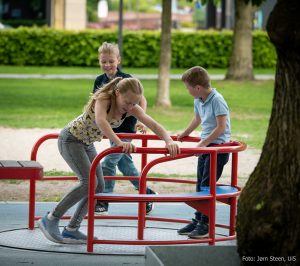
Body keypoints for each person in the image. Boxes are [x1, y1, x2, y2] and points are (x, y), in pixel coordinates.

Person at [38, 77, 180, 244]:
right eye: (127, 102)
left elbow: (154, 125)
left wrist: (168, 140)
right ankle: (51, 218)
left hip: (87, 142)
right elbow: (101, 120)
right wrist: (118, 142)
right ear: (117, 93)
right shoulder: (104, 98)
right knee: (87, 183)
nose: (130, 107)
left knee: (99, 185)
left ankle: (72, 229)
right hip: (70, 139)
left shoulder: (131, 107)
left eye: (134, 103)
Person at [93, 42, 157, 215]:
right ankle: (148, 194)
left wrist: (140, 120)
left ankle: (104, 200)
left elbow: (142, 100)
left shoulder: (126, 79)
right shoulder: (99, 81)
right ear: (99, 61)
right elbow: (97, 106)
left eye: (111, 61)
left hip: (126, 129)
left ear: (118, 60)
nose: (107, 65)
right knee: (125, 165)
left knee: (108, 162)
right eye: (103, 61)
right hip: (112, 129)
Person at [176, 66, 231, 239]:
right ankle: (198, 219)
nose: (187, 90)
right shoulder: (199, 99)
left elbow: (221, 127)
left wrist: (203, 144)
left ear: (198, 87)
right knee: (200, 183)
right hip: (206, 146)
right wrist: (185, 133)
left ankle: (205, 224)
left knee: (207, 185)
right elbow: (197, 119)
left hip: (217, 149)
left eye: (188, 87)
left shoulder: (217, 99)